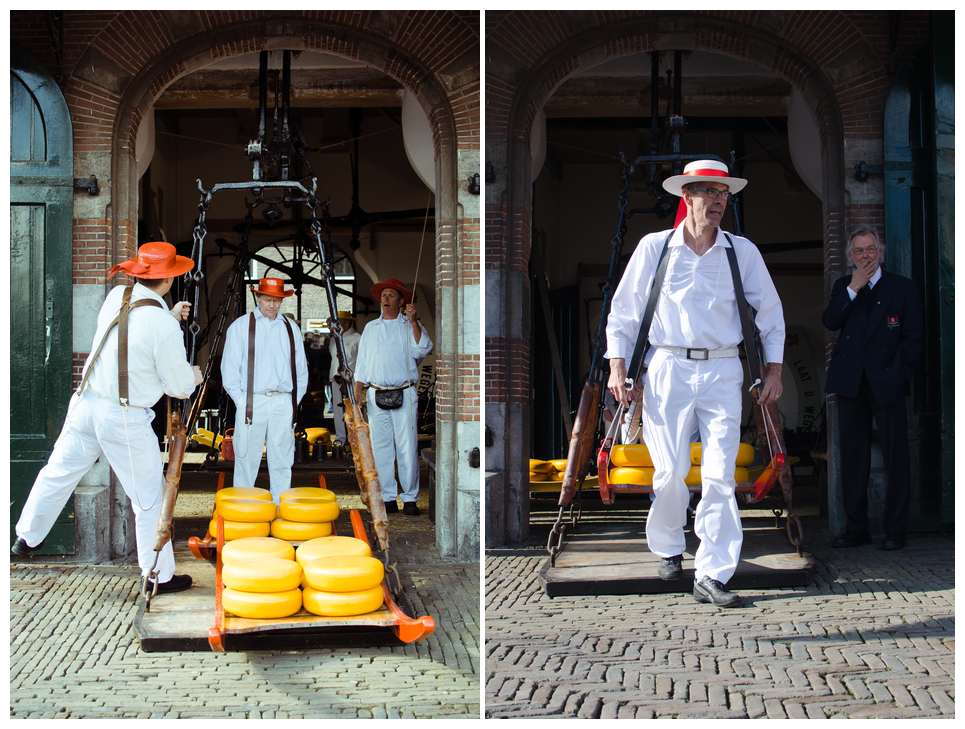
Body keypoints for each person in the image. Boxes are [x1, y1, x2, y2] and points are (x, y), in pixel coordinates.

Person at [606, 160, 784, 608]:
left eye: (723, 193)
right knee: (669, 474)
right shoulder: (655, 247)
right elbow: (624, 313)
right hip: (667, 367)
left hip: (724, 369)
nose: (718, 200)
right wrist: (617, 367)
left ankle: (713, 572)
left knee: (720, 476)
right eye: (708, 192)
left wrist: (775, 371)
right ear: (686, 197)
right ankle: (668, 545)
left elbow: (772, 315)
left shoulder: (742, 252)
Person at [11, 241, 203, 596]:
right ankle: (158, 576)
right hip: (123, 418)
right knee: (148, 497)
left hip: (86, 405)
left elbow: (133, 330)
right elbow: (179, 387)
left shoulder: (118, 296)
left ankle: (27, 537)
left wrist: (168, 315)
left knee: (58, 471)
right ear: (168, 279)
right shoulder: (162, 326)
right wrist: (194, 373)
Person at [822, 226, 922, 551]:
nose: (865, 256)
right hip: (851, 383)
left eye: (870, 249)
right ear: (851, 256)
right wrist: (853, 288)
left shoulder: (902, 288)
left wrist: (900, 375)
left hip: (887, 382)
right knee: (853, 458)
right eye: (859, 251)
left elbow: (913, 339)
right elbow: (830, 321)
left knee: (896, 458)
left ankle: (896, 530)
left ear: (880, 252)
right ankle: (856, 529)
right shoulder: (844, 286)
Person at [221, 278, 309, 505]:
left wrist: (292, 402)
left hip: (283, 401)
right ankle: (245, 512)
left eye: (277, 300)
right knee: (246, 459)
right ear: (257, 297)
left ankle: (280, 511)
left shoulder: (291, 328)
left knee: (282, 460)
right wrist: (242, 402)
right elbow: (229, 371)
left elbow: (301, 371)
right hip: (252, 401)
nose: (272, 305)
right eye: (268, 299)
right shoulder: (240, 326)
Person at [353, 279, 433, 515]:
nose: (386, 299)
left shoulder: (410, 325)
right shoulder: (370, 328)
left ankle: (410, 498)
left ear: (401, 301)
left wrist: (414, 320)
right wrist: (357, 389)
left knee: (407, 446)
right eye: (384, 295)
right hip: (376, 393)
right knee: (381, 448)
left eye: (391, 295)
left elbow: (423, 349)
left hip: (405, 392)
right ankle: (388, 497)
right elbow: (363, 363)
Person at [328, 311, 361, 445]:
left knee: (352, 408)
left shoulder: (358, 338)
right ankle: (340, 437)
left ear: (348, 322)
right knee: (337, 408)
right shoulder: (334, 338)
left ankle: (353, 437)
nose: (337, 324)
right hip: (336, 378)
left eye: (340, 321)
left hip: (352, 379)